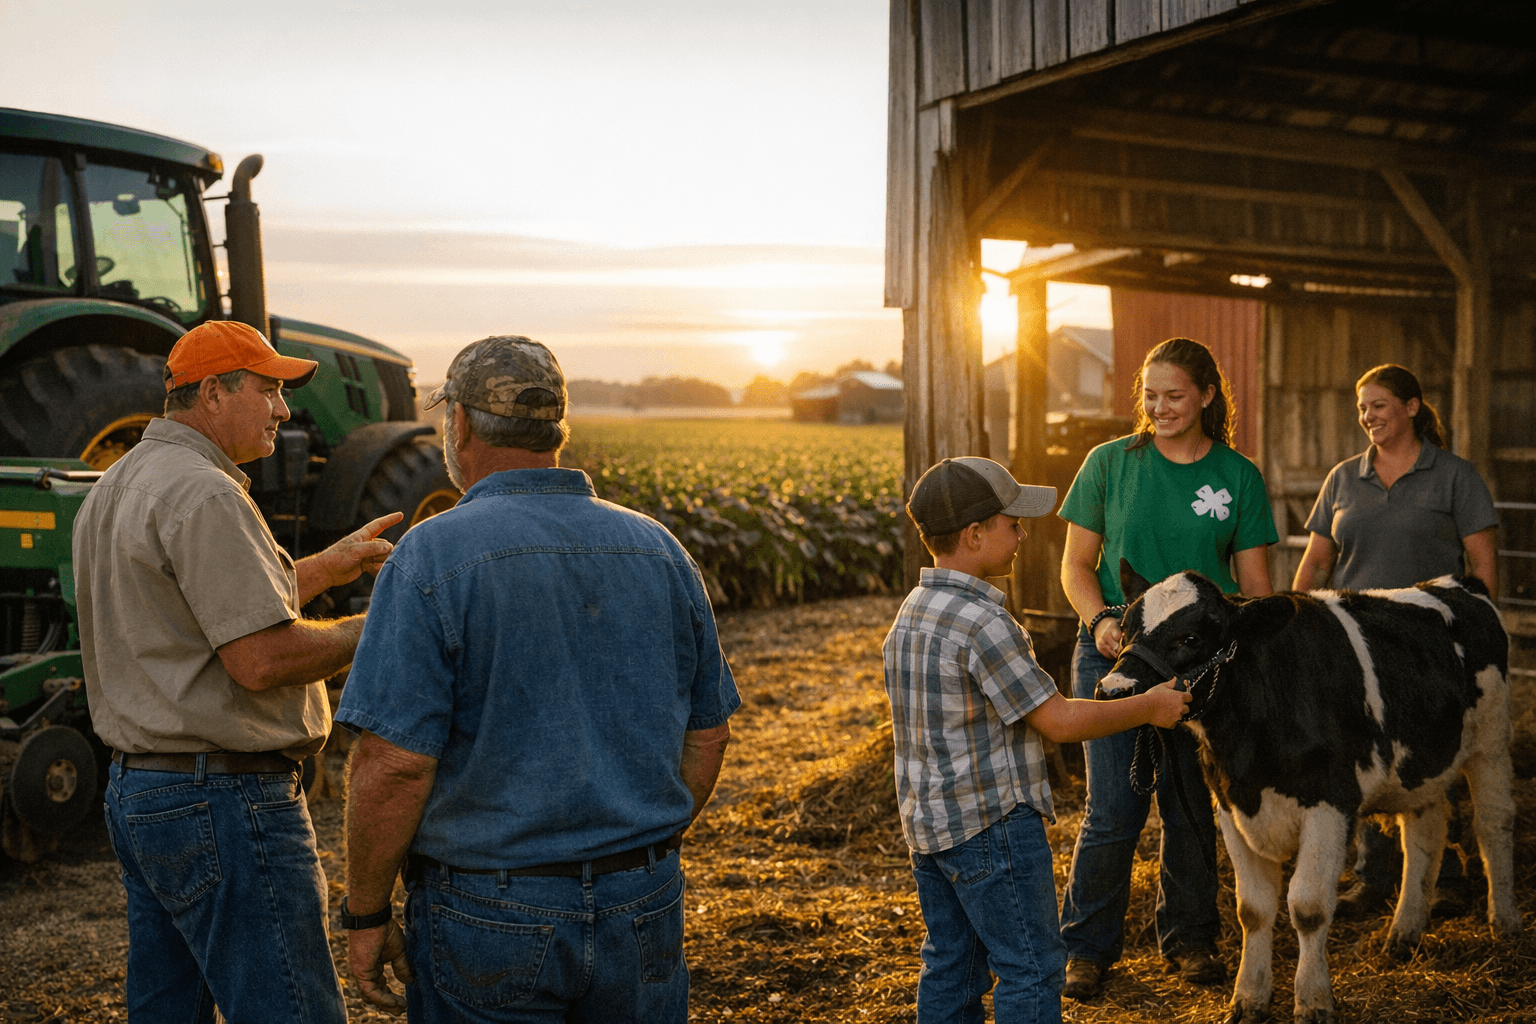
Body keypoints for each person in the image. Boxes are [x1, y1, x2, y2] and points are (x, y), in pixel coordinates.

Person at [336, 335, 739, 1022]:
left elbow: (393, 765)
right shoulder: (658, 548)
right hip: (643, 901)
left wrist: (366, 912)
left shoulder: (431, 553)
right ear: (558, 427)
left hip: (489, 911)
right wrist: (637, 846)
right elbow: (708, 733)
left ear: (458, 424)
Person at [73, 319, 403, 1023]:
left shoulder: (117, 484)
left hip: (142, 794)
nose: (284, 411)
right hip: (222, 801)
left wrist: (327, 565)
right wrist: (381, 627)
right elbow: (259, 658)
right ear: (215, 393)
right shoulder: (209, 494)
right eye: (270, 390)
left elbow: (206, 611)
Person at [884, 456, 1192, 1024]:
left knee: (951, 964)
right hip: (992, 827)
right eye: (1012, 523)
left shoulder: (912, 611)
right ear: (975, 535)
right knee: (1032, 967)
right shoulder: (984, 623)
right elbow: (1058, 721)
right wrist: (1151, 704)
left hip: (931, 829)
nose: (1023, 533)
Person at [1056, 337, 1278, 1000]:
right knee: (1113, 810)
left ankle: (1190, 941)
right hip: (1116, 648)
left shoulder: (1238, 478)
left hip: (1198, 663)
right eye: (1150, 396)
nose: (1160, 408)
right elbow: (1073, 566)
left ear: (1207, 396)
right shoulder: (1107, 464)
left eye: (1174, 396)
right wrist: (1098, 621)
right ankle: (1088, 949)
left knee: (1190, 809)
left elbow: (1256, 590)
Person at [1292, 363, 1500, 918]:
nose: (1368, 417)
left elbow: (1482, 564)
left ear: (1411, 407)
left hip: (1432, 645)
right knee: (1363, 752)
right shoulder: (1343, 477)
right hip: (1359, 644)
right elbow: (1317, 559)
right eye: (1362, 408)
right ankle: (1374, 875)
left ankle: (1449, 875)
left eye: (1379, 405)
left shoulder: (1454, 475)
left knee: (1439, 750)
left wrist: (1480, 637)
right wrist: (1296, 622)